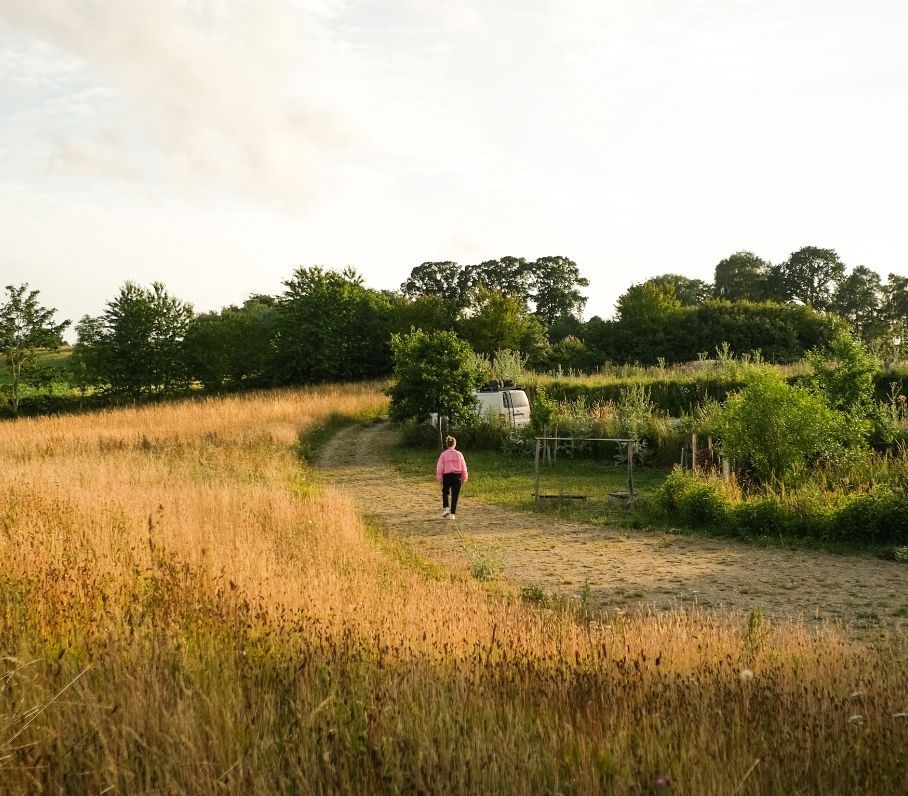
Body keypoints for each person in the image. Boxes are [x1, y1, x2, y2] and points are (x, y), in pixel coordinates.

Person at [436, 435, 468, 520]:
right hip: (457, 476)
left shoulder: (443, 455)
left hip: (447, 476)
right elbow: (464, 467)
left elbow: (440, 468)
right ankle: (452, 514)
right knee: (455, 495)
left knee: (445, 492)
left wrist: (440, 479)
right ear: (454, 444)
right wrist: (464, 478)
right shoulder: (459, 454)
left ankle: (446, 508)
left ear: (447, 444)